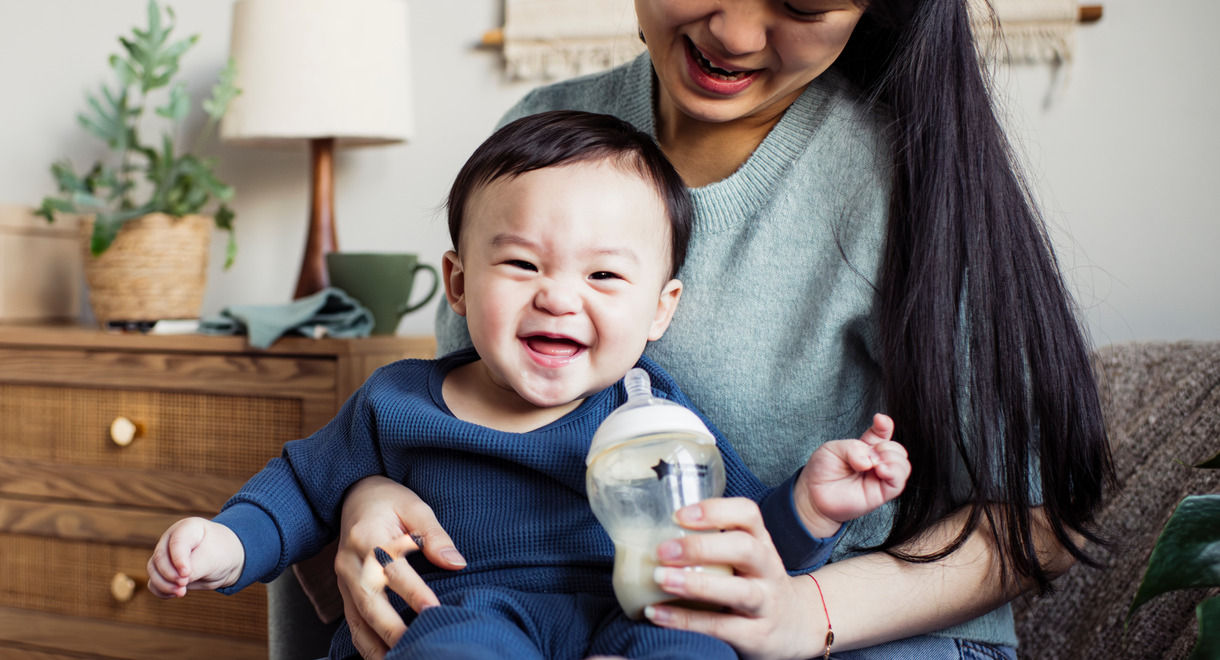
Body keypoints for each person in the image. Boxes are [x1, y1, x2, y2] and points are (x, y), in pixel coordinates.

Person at [328, 1, 1117, 659]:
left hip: (870, 629)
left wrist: (805, 610)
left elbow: (1042, 513)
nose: (735, 34)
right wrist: (370, 493)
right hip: (607, 625)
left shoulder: (904, 175)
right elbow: (464, 421)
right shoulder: (540, 130)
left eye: (803, 2)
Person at [146, 111, 911, 659]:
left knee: (692, 638)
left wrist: (810, 508)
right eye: (521, 264)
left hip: (639, 612)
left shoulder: (658, 420)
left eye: (604, 275)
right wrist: (224, 543)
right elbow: (302, 490)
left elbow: (741, 547)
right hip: (465, 611)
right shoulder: (397, 402)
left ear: (659, 310)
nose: (558, 296)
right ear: (457, 281)